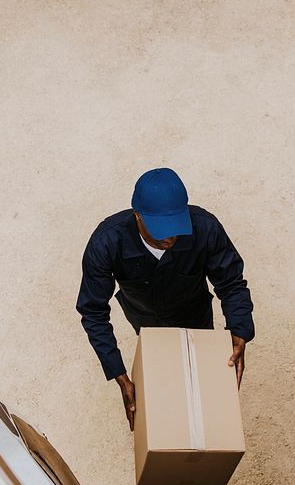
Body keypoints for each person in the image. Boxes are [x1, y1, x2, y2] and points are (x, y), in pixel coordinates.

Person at [77, 168, 255, 429]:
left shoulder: (206, 228)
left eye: (176, 227)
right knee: (163, 372)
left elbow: (231, 283)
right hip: (144, 318)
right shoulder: (106, 243)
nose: (171, 238)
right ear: (137, 215)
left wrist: (240, 329)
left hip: (196, 312)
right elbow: (93, 311)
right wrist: (119, 373)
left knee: (199, 376)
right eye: (160, 230)